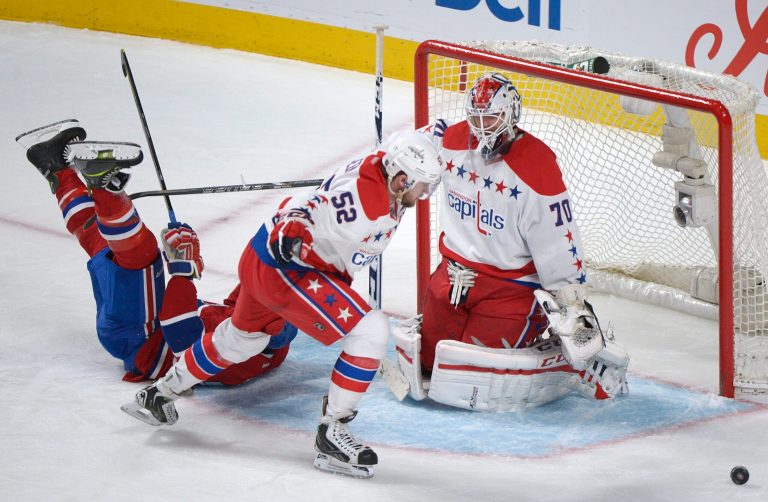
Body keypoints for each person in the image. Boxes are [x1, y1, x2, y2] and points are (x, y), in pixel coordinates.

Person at [121, 129, 444, 479]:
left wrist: (443, 135)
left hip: (261, 257)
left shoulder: (385, 166)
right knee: (370, 331)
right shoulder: (365, 199)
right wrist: (293, 227)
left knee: (241, 340)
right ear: (401, 179)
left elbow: (415, 144)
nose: (424, 194)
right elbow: (309, 205)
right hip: (288, 267)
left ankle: (159, 394)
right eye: (422, 186)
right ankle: (332, 433)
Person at [387, 73, 629, 412]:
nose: (481, 127)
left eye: (491, 118)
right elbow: (407, 151)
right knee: (427, 366)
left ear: (511, 114)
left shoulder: (536, 165)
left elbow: (559, 237)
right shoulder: (450, 141)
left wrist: (570, 300)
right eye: (476, 118)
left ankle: (576, 368)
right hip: (451, 278)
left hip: (509, 291)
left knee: (470, 377)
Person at [16, 119, 295, 386]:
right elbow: (254, 285)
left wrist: (184, 271)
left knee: (142, 255)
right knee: (103, 240)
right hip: (147, 322)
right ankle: (55, 166)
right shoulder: (263, 330)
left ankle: (104, 186)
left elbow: (180, 333)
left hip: (142, 338)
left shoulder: (238, 348)